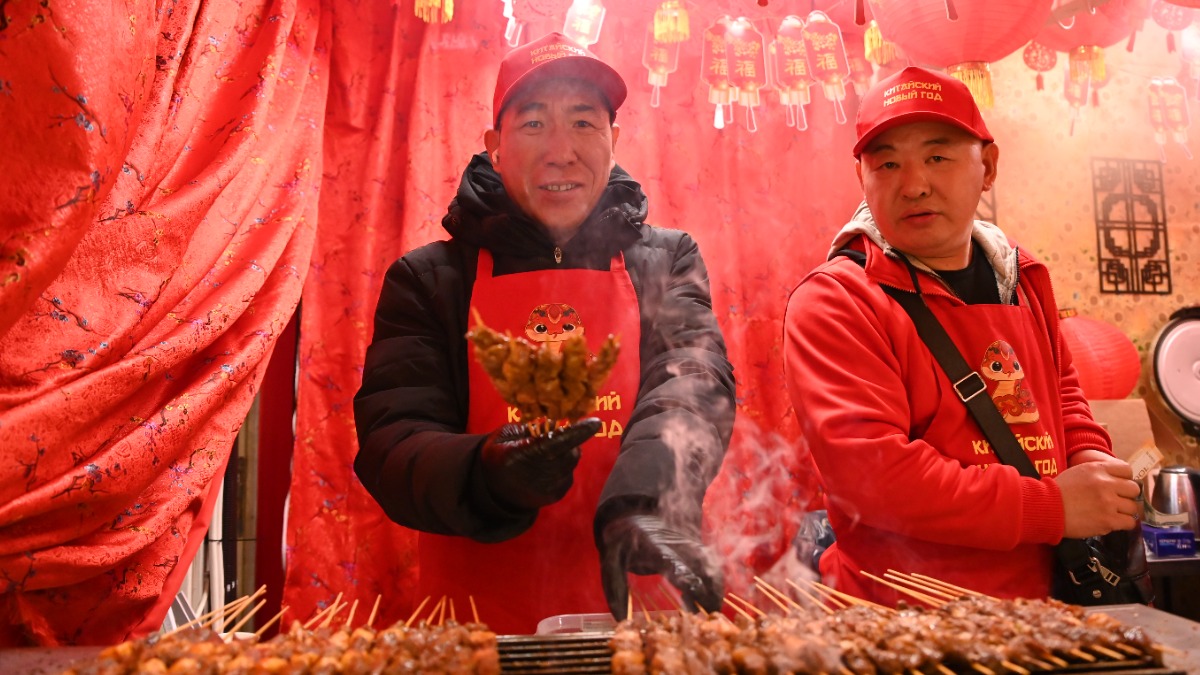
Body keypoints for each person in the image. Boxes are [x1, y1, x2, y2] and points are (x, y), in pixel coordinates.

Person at [353, 32, 735, 634]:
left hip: (639, 615)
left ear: (614, 139)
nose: (561, 150)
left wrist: (648, 493)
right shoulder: (430, 279)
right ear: (496, 147)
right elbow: (391, 441)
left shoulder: (665, 259)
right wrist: (486, 471)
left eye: (584, 123)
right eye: (533, 125)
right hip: (482, 626)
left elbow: (693, 383)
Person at [783, 66, 1141, 605]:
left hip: (1045, 604)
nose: (914, 184)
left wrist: (1089, 455)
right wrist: (1052, 508)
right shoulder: (838, 299)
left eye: (937, 156)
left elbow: (1060, 394)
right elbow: (874, 476)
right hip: (903, 613)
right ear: (862, 178)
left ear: (987, 166)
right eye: (887, 164)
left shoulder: (1021, 276)